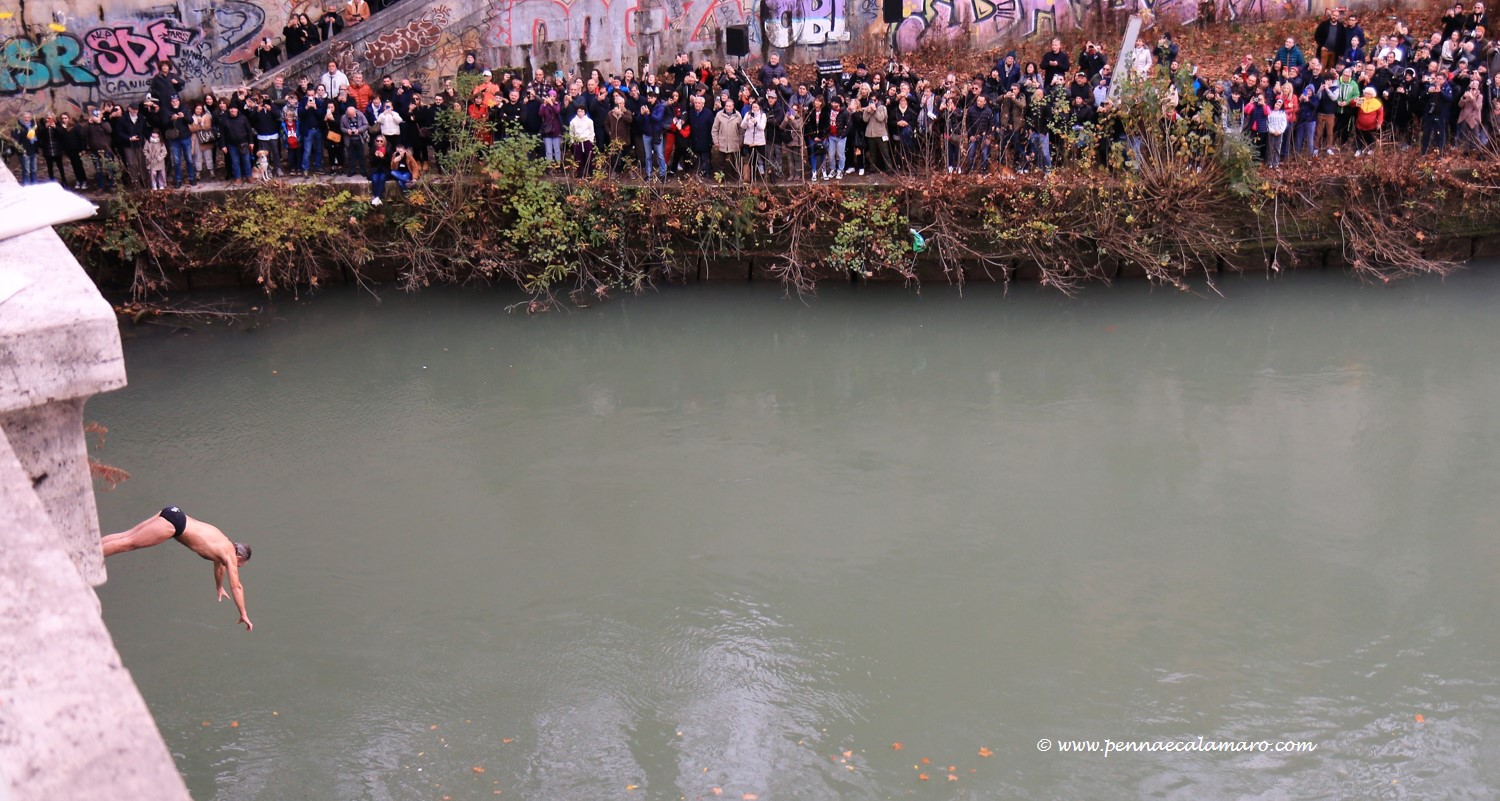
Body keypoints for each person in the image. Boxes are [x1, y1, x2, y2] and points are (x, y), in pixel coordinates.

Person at [102, 506, 253, 632]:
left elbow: (219, 567)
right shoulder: (231, 556)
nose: (236, 566)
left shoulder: (224, 544)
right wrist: (243, 613)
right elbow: (237, 586)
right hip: (175, 525)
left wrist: (219, 587)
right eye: (240, 565)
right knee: (129, 543)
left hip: (174, 513)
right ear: (240, 557)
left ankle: (88, 548)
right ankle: (88, 556)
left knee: (127, 535)